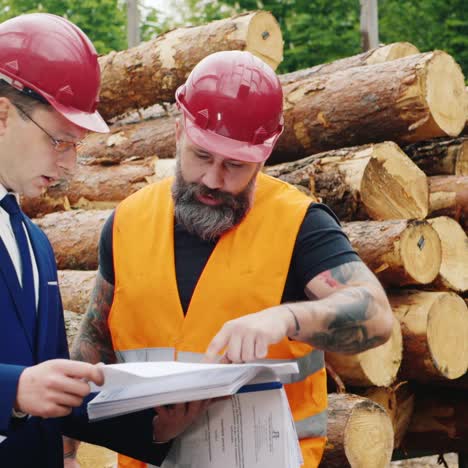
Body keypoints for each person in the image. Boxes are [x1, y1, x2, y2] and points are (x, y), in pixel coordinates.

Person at [71, 50, 394, 468]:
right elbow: (93, 346)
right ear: (177, 133)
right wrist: (65, 453)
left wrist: (284, 319)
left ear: (265, 155)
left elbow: (377, 316)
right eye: (201, 156)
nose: (212, 179)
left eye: (235, 166)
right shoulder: (126, 223)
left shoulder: (298, 224)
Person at [0, 13, 173, 468]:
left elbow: (52, 393)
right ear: (2, 115)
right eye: (59, 140)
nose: (71, 164)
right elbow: (27, 389)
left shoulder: (33, 243)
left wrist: (154, 430)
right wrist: (11, 390)